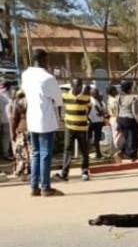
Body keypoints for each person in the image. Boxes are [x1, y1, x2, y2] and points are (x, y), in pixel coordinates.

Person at [21, 48, 63, 196]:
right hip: (45, 120)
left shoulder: (25, 75)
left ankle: (34, 186)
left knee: (36, 153)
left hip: (31, 119)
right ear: (43, 60)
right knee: (45, 154)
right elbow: (58, 100)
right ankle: (45, 186)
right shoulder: (48, 78)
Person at [56, 78, 91, 182]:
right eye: (77, 86)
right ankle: (64, 173)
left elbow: (89, 107)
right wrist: (61, 117)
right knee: (67, 150)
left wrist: (85, 116)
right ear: (72, 86)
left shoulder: (86, 97)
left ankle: (85, 172)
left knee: (84, 151)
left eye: (80, 85)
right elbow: (59, 106)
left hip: (82, 127)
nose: (80, 88)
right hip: (69, 127)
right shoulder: (65, 96)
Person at [116, 81, 138, 162]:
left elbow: (117, 110)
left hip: (120, 119)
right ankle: (133, 157)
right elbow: (135, 113)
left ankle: (121, 152)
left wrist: (117, 122)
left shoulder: (119, 97)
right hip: (130, 119)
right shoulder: (133, 98)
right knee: (134, 138)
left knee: (127, 138)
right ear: (130, 89)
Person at [10, 89, 31, 179]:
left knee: (21, 153)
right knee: (31, 152)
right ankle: (30, 171)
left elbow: (14, 119)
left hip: (21, 130)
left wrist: (12, 133)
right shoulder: (31, 102)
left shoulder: (18, 103)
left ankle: (21, 172)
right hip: (32, 129)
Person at [0, 81, 12, 159]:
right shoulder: (8, 95)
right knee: (6, 138)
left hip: (4, 119)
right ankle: (5, 154)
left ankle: (4, 153)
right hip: (6, 120)